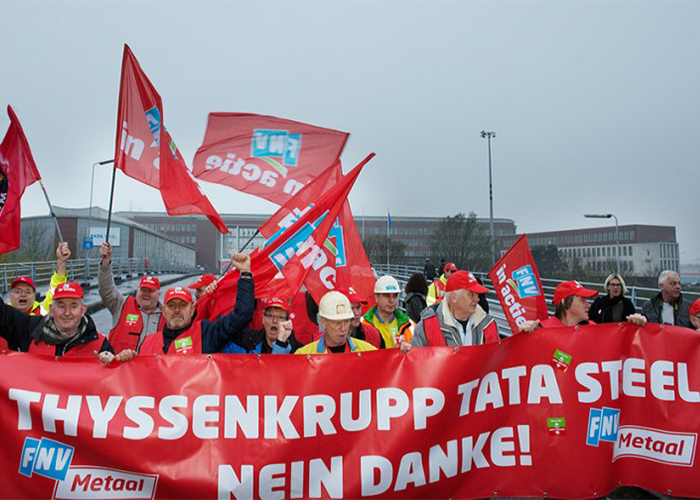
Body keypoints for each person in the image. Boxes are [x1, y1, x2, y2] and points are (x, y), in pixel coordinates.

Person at [136, 253, 254, 355]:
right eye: (171, 306)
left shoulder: (205, 334)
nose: (177, 310)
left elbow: (241, 316)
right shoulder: (147, 343)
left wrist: (245, 275)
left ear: (192, 310)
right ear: (163, 310)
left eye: (182, 305)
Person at [0, 281, 129, 365]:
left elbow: (113, 389)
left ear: (83, 310)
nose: (67, 313)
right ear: (52, 309)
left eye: (73, 306)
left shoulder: (100, 345)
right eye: (61, 306)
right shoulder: (30, 328)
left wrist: (112, 364)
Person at [402, 270, 499, 351]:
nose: (477, 299)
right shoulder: (427, 326)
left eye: (477, 295)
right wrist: (407, 352)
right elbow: (416, 361)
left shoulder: (488, 324)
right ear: (454, 297)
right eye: (471, 295)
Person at [99, 241, 164, 353]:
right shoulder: (121, 305)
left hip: (150, 369)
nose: (146, 294)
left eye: (151, 291)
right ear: (137, 291)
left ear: (159, 294)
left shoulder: (168, 316)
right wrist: (105, 264)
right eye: (143, 290)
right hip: (120, 369)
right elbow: (106, 290)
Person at [519, 280, 647, 332]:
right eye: (582, 300)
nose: (588, 304)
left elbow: (619, 344)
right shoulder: (542, 330)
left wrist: (635, 327)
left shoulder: (593, 329)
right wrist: (523, 335)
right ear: (565, 303)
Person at [296, 291, 376, 354]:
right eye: (337, 323)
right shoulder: (304, 356)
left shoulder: (369, 352)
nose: (343, 328)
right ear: (323, 321)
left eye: (346, 321)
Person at [220, 297, 304, 354]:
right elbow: (219, 336)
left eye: (280, 317)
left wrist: (281, 344)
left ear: (287, 322)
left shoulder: (299, 352)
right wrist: (211, 298)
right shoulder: (247, 341)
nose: (275, 321)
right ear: (263, 319)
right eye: (270, 316)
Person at [8, 242, 71, 315]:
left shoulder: (42, 311)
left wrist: (61, 261)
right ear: (10, 296)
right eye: (18, 292)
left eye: (28, 292)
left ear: (34, 297)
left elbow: (56, 290)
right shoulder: (4, 314)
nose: (23, 294)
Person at [362, 275, 413, 348]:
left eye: (395, 296)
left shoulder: (410, 325)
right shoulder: (362, 325)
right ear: (376, 298)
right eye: (386, 295)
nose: (391, 300)